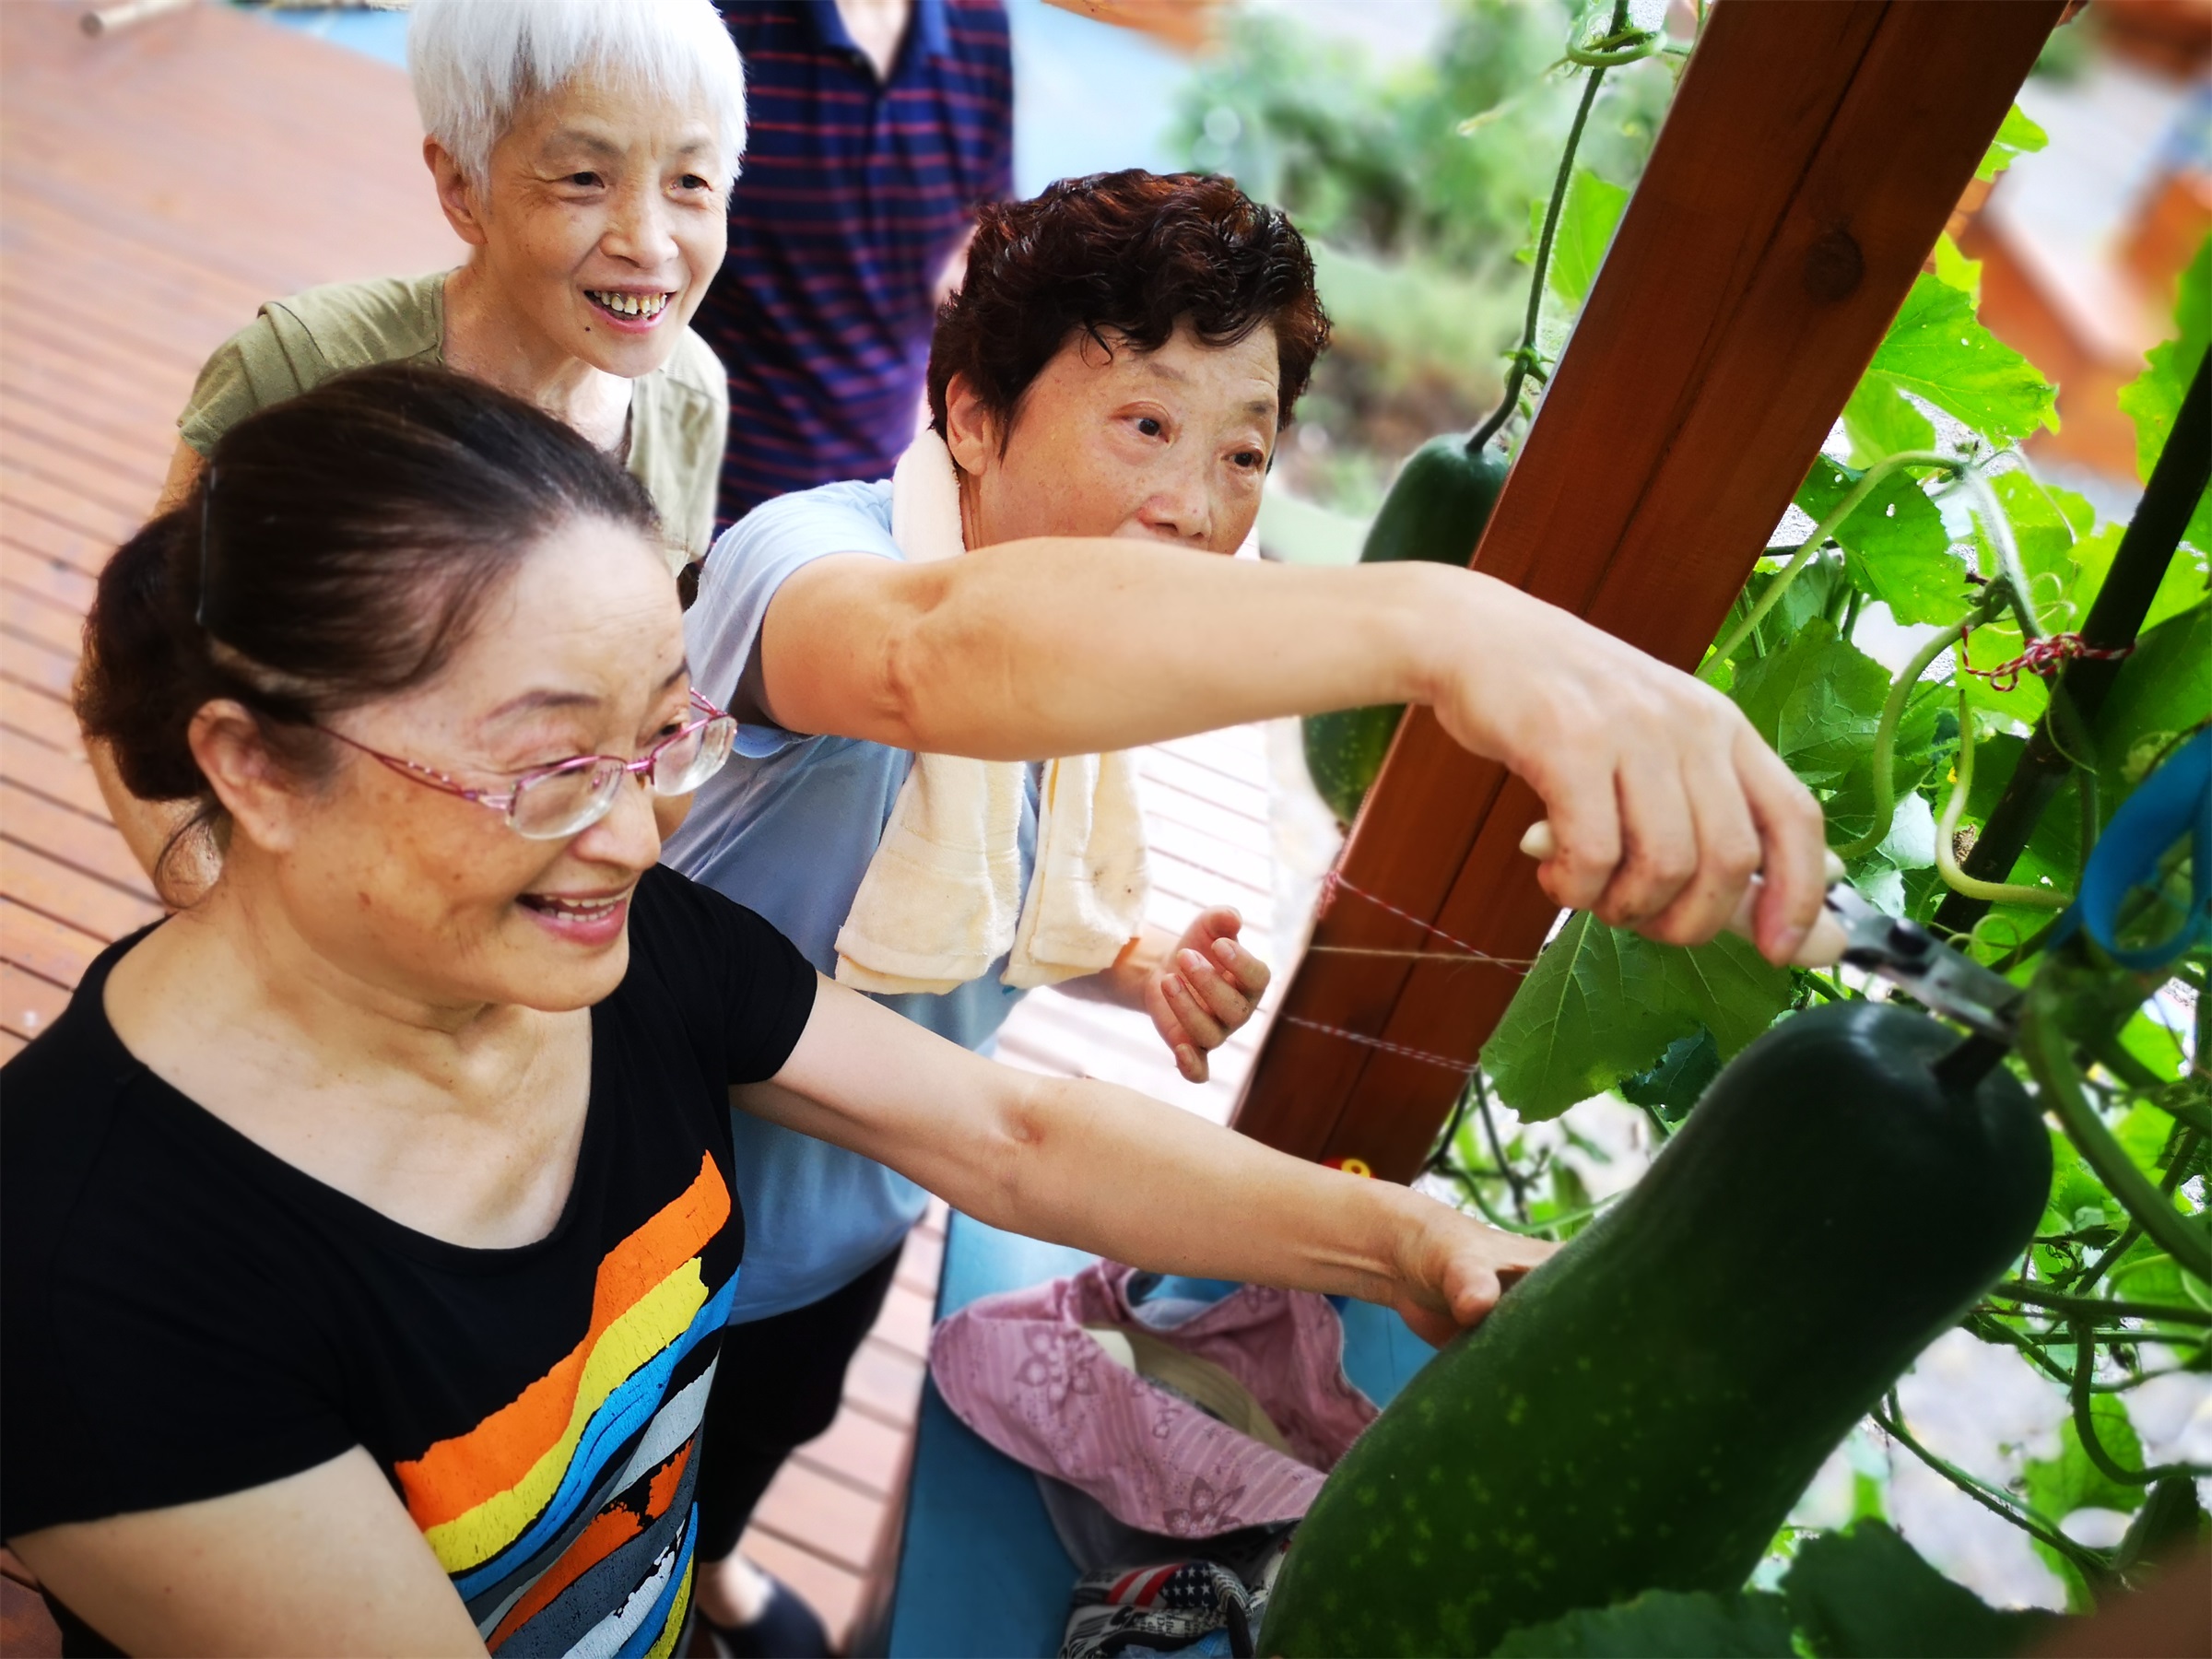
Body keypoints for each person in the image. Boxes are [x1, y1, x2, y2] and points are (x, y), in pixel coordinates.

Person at [0, 364, 1550, 1658]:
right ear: (256, 767)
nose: (632, 833)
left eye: (660, 739)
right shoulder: (92, 1285)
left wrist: (1405, 1243)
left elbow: (1008, 1134)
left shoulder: (616, 948)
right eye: (549, 766)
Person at [666, 169, 1831, 1651]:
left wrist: (1130, 959)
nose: (1195, 507)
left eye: (1244, 453)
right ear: (968, 416)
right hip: (631, 1207)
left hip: (846, 1215)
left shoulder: (1084, 659)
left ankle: (706, 1570)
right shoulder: (813, 559)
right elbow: (924, 661)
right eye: (1146, 425)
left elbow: (977, 894)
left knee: (766, 1425)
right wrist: (1441, 619)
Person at [97, 0, 746, 897]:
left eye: (691, 183)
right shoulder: (304, 367)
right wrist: (213, 909)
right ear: (461, 187)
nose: (647, 239)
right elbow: (132, 665)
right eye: (585, 179)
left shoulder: (690, 395)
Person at [699, 0, 1013, 523]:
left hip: (884, 499)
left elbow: (982, 227)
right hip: (711, 497)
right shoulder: (717, 22)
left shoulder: (977, 22)